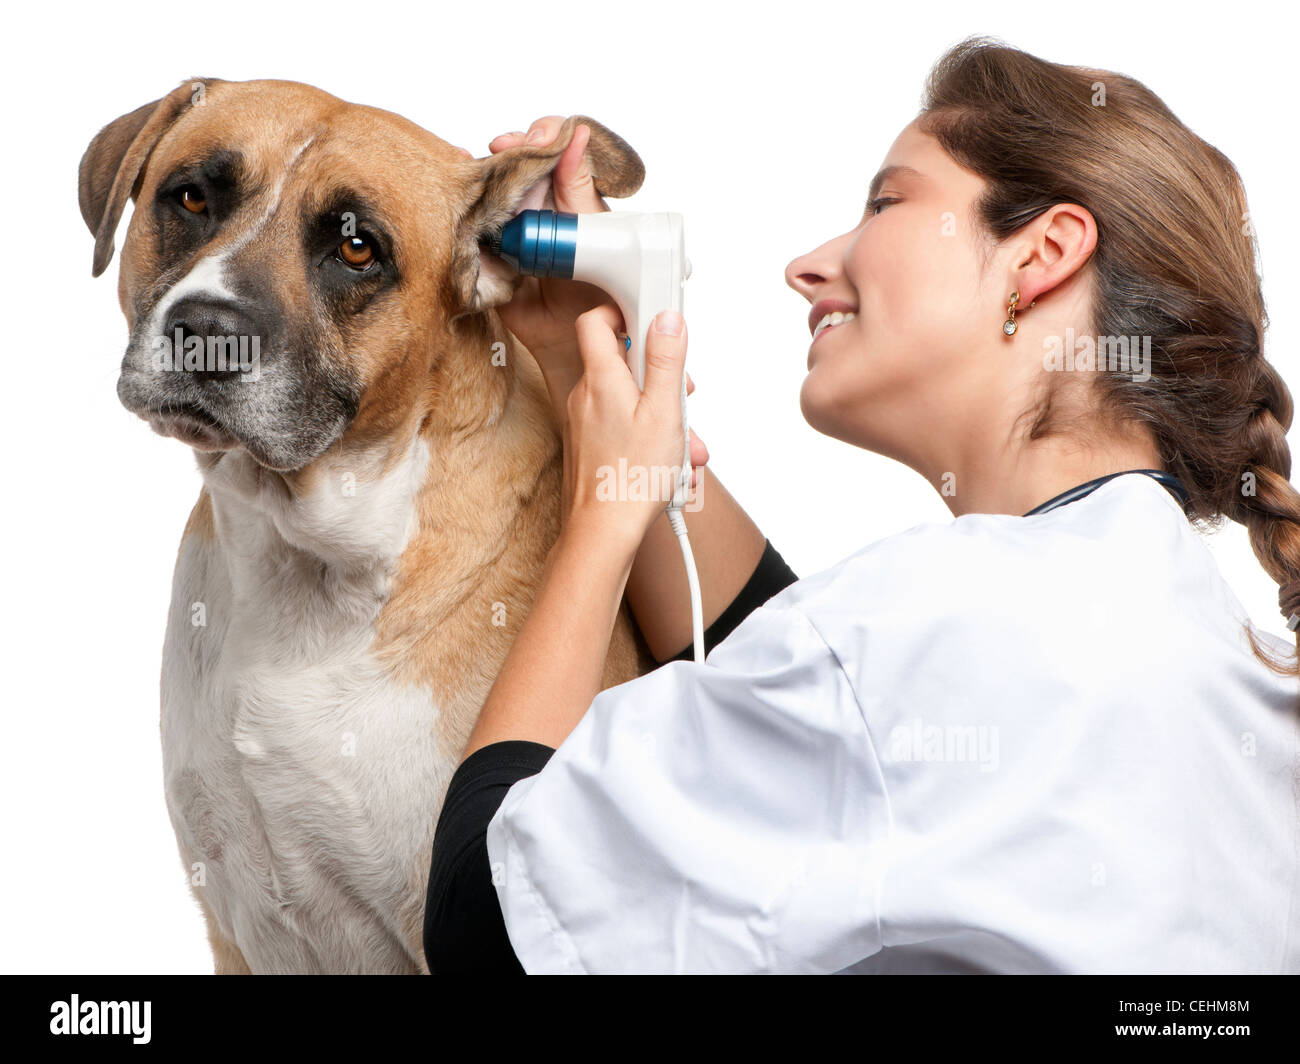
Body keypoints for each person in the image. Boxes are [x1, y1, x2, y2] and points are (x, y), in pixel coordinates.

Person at [423, 35, 1300, 974]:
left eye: (887, 201)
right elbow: (819, 720)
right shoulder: (1214, 653)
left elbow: (482, 923)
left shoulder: (933, 622)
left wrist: (602, 511)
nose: (808, 265)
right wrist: (584, 371)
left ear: (1042, 253)